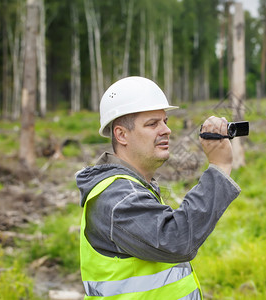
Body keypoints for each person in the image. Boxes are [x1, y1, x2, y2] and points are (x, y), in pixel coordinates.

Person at [76, 76, 241, 299]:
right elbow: (175, 239)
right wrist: (219, 168)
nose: (166, 130)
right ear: (121, 135)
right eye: (152, 124)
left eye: (165, 121)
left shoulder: (133, 188)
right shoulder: (118, 198)